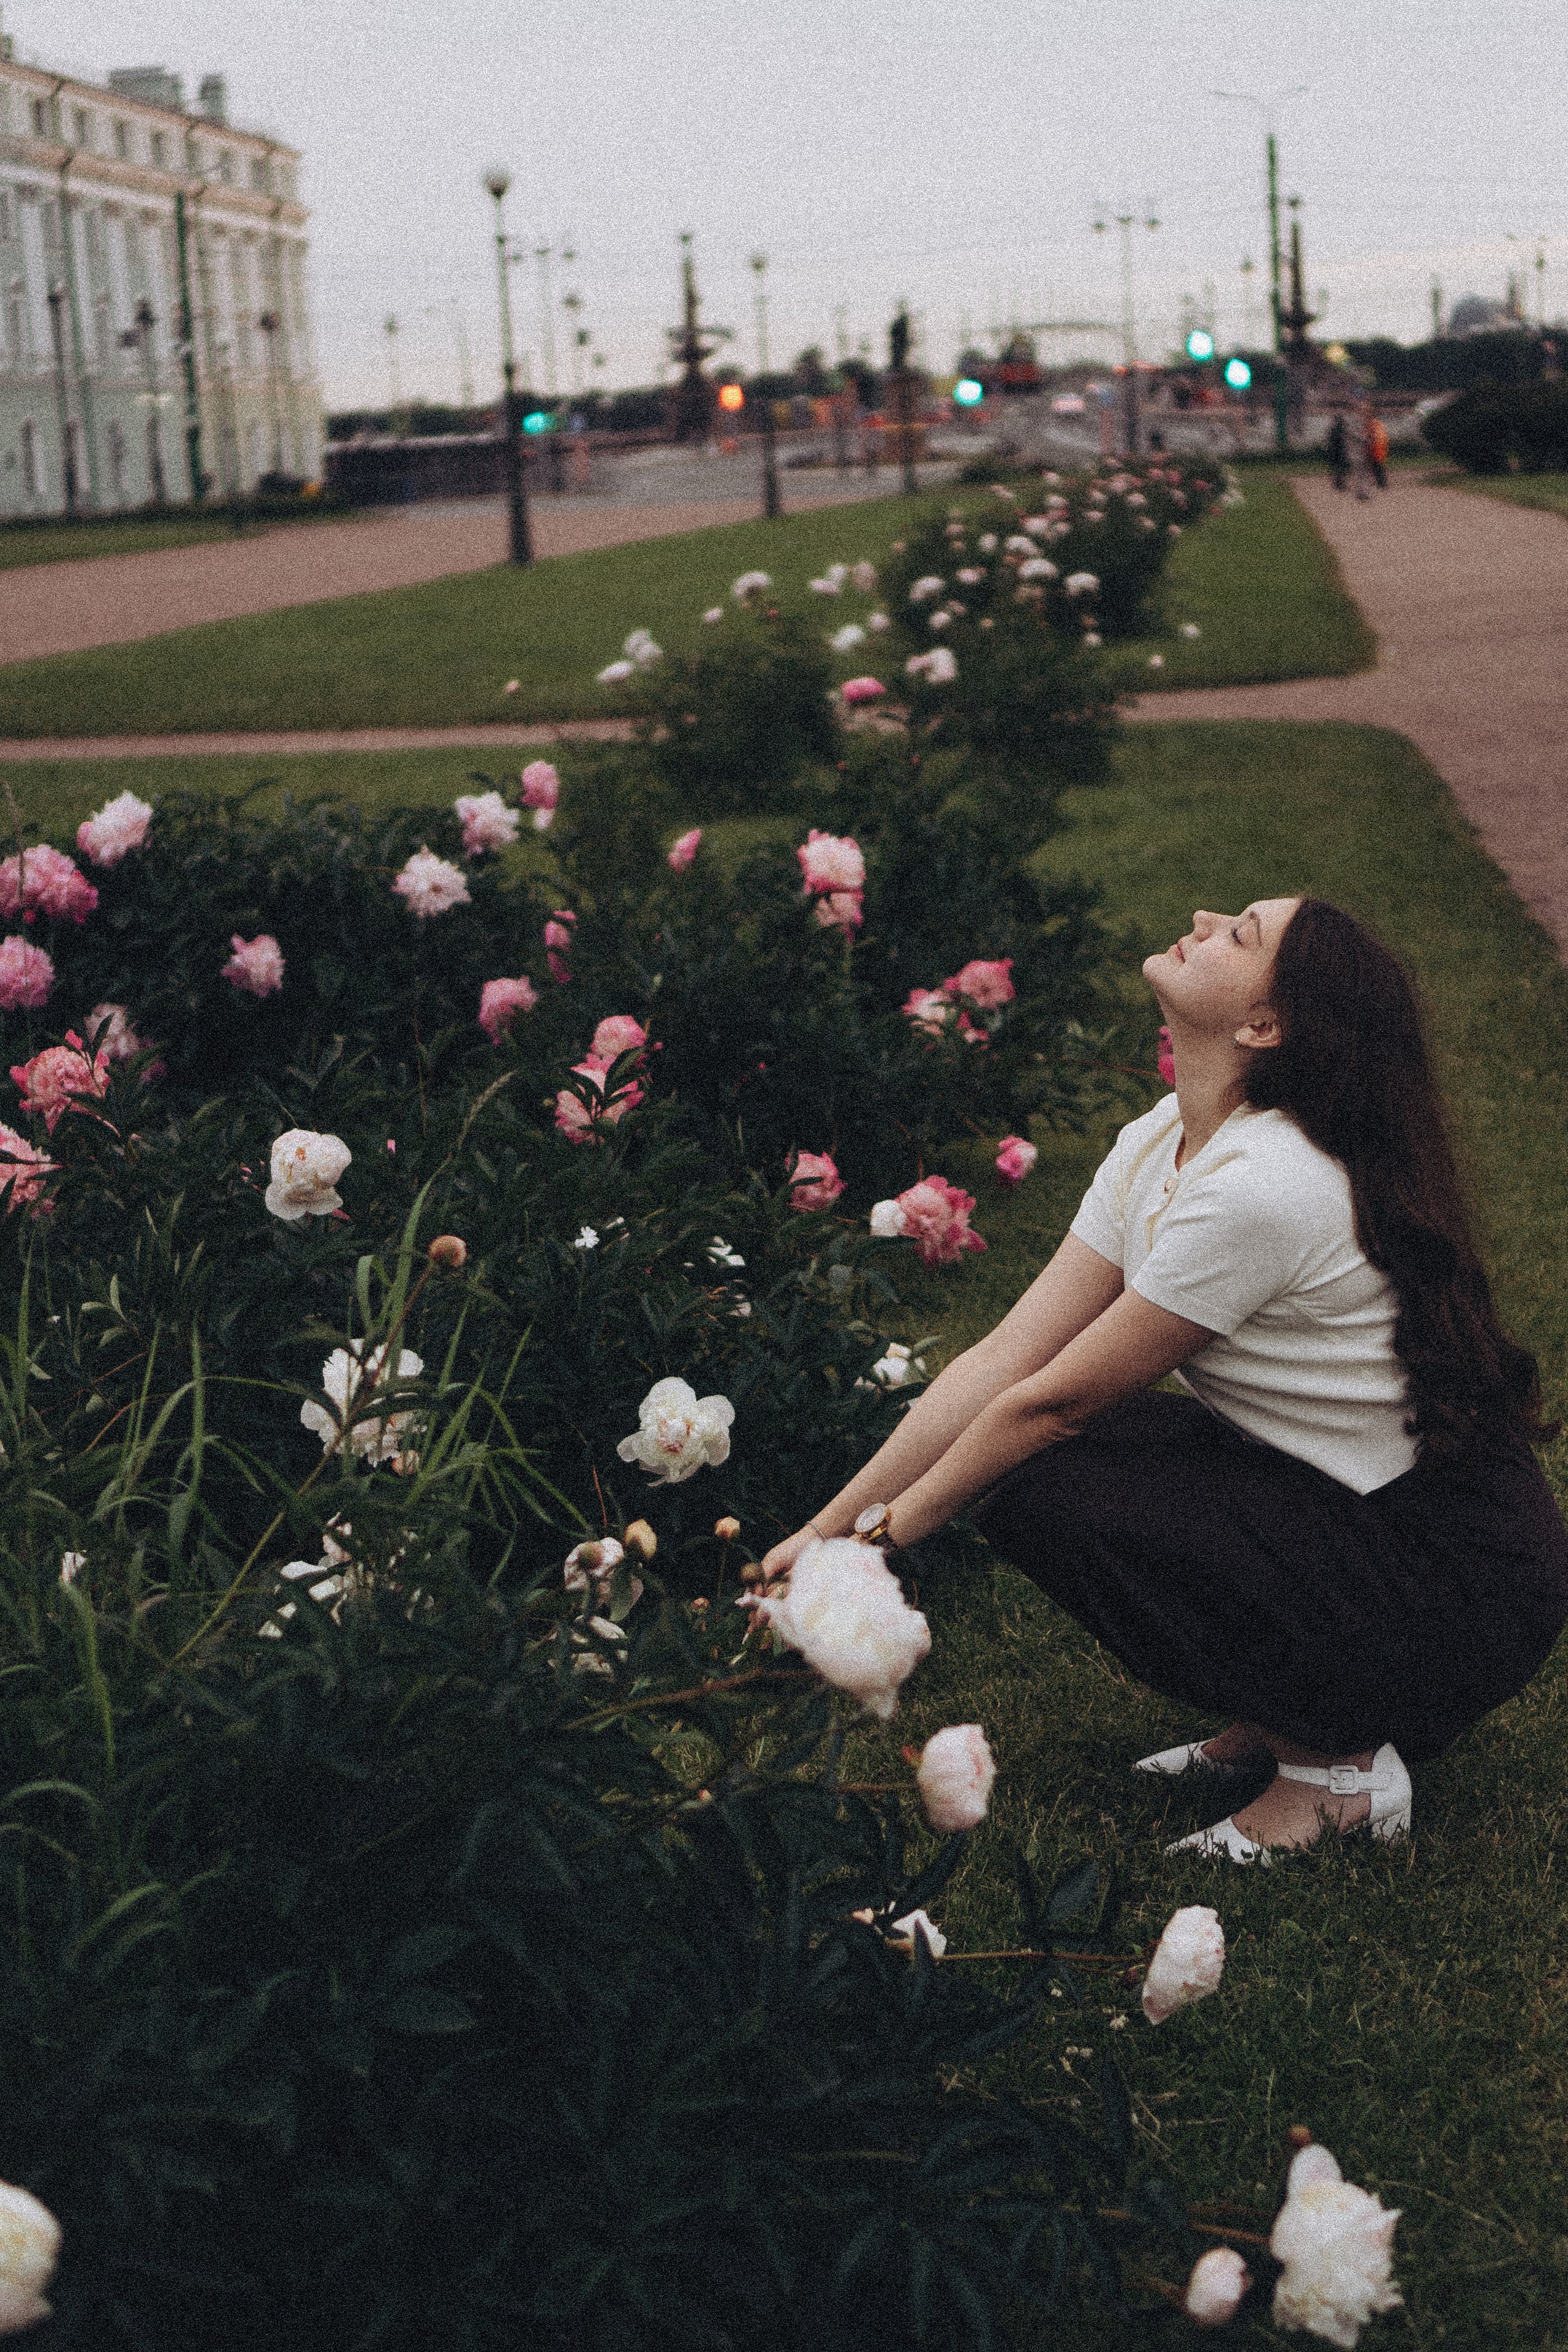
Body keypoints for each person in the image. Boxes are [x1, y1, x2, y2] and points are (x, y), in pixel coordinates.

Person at [761, 899, 1568, 1862]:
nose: (1205, 916)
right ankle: (1282, 1717)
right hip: (1372, 1521)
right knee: (1041, 1458)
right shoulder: (1164, 1141)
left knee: (1040, 1475)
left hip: (1460, 1580)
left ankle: (1339, 1770)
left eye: (1243, 934)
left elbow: (1051, 1405)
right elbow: (1007, 1358)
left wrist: (876, 1547)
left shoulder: (1266, 1183)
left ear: (1263, 1027)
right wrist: (821, 1534)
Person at [1325, 412, 1349, 492]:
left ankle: (1338, 484)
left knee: (1337, 468)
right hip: (1338, 450)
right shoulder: (1339, 429)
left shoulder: (1335, 429)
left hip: (1335, 450)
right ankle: (1340, 484)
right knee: (1339, 468)